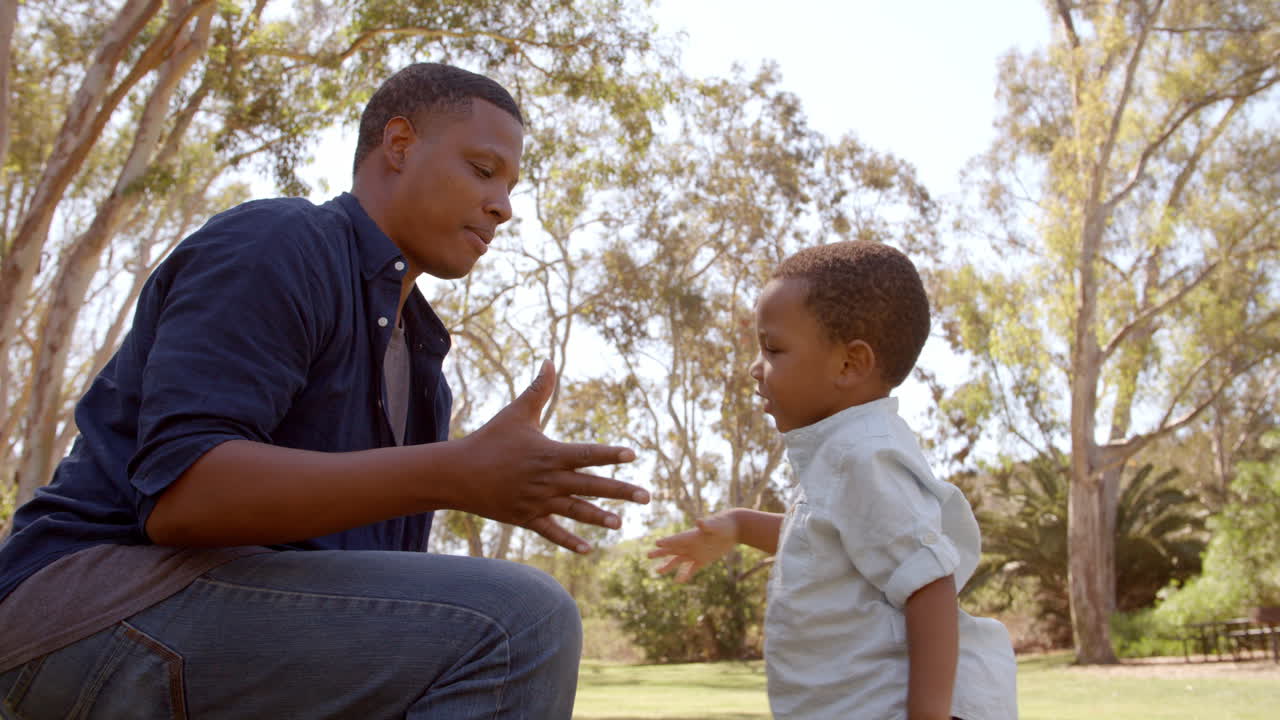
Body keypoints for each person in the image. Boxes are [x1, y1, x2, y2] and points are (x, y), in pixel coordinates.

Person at [0, 62, 649, 719]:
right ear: (399, 145)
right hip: (93, 601)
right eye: (484, 171)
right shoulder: (281, 242)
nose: (504, 207)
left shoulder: (423, 365)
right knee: (518, 622)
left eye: (510, 187)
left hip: (229, 614)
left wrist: (450, 473)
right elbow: (184, 496)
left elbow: (363, 593)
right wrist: (452, 473)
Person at [648, 241, 1017, 720]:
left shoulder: (863, 455)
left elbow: (930, 585)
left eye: (773, 348)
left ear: (850, 364)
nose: (755, 368)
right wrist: (740, 526)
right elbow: (823, 539)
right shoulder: (844, 453)